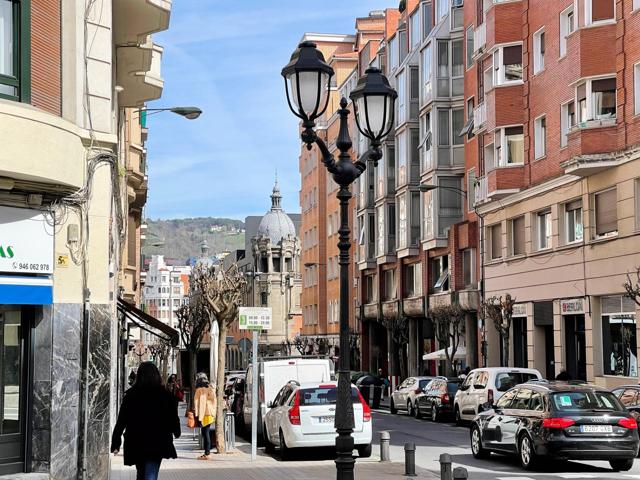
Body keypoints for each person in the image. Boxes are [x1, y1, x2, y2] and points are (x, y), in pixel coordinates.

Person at [111, 362, 180, 480]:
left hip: (137, 442)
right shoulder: (165, 396)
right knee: (150, 475)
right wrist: (176, 431)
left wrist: (116, 441)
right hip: (157, 442)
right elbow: (173, 417)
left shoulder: (131, 395)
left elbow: (121, 420)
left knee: (142, 474)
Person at [193, 372, 217, 460]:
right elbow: (214, 400)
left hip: (203, 414)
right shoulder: (210, 388)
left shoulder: (199, 390)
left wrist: (196, 412)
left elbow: (196, 402)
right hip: (210, 413)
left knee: (205, 433)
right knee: (206, 432)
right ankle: (207, 452)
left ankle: (207, 453)